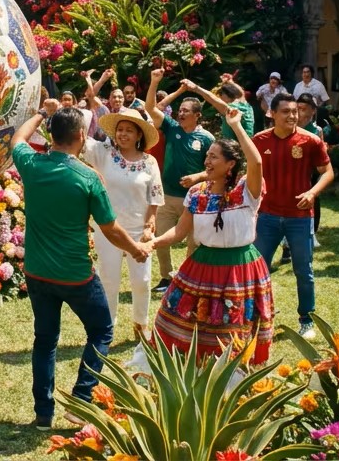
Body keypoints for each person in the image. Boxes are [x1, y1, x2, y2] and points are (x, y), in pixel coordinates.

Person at [11, 99, 152, 429]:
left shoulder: (32, 163)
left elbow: (17, 139)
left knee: (45, 341)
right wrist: (136, 249)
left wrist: (42, 112)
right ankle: (82, 400)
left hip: (36, 272)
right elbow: (111, 229)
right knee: (102, 330)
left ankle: (43, 414)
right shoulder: (88, 178)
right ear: (78, 135)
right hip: (75, 276)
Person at [150, 108, 272, 364]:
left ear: (230, 164)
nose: (207, 160)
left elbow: (257, 162)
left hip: (240, 266)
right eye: (207, 155)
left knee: (234, 325)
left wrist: (236, 126)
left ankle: (232, 372)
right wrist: (153, 242)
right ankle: (193, 365)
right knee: (181, 315)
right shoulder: (197, 192)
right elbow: (180, 231)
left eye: (214, 156)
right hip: (203, 264)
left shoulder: (246, 191)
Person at [81, 108, 165, 368]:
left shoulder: (149, 162)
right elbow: (81, 138)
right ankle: (108, 328)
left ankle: (141, 325)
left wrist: (150, 224)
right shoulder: (104, 154)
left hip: (140, 232)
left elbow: (155, 195)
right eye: (120, 129)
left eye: (129, 130)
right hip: (108, 231)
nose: (123, 134)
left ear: (139, 134)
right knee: (109, 280)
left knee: (142, 281)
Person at [250, 93, 335, 340]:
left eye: (295, 111)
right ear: (272, 114)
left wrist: (312, 192)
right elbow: (250, 174)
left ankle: (306, 320)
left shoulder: (310, 141)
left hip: (300, 217)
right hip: (266, 216)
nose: (292, 116)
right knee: (258, 269)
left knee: (303, 270)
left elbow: (327, 172)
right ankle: (258, 317)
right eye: (286, 111)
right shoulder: (259, 140)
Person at [147, 69, 214, 295]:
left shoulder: (207, 139)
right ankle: (166, 277)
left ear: (197, 115)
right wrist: (155, 82)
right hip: (167, 196)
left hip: (194, 199)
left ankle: (187, 279)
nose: (180, 114)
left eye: (185, 111)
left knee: (194, 243)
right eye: (180, 110)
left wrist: (198, 177)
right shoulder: (171, 127)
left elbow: (214, 170)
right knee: (161, 239)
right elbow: (150, 109)